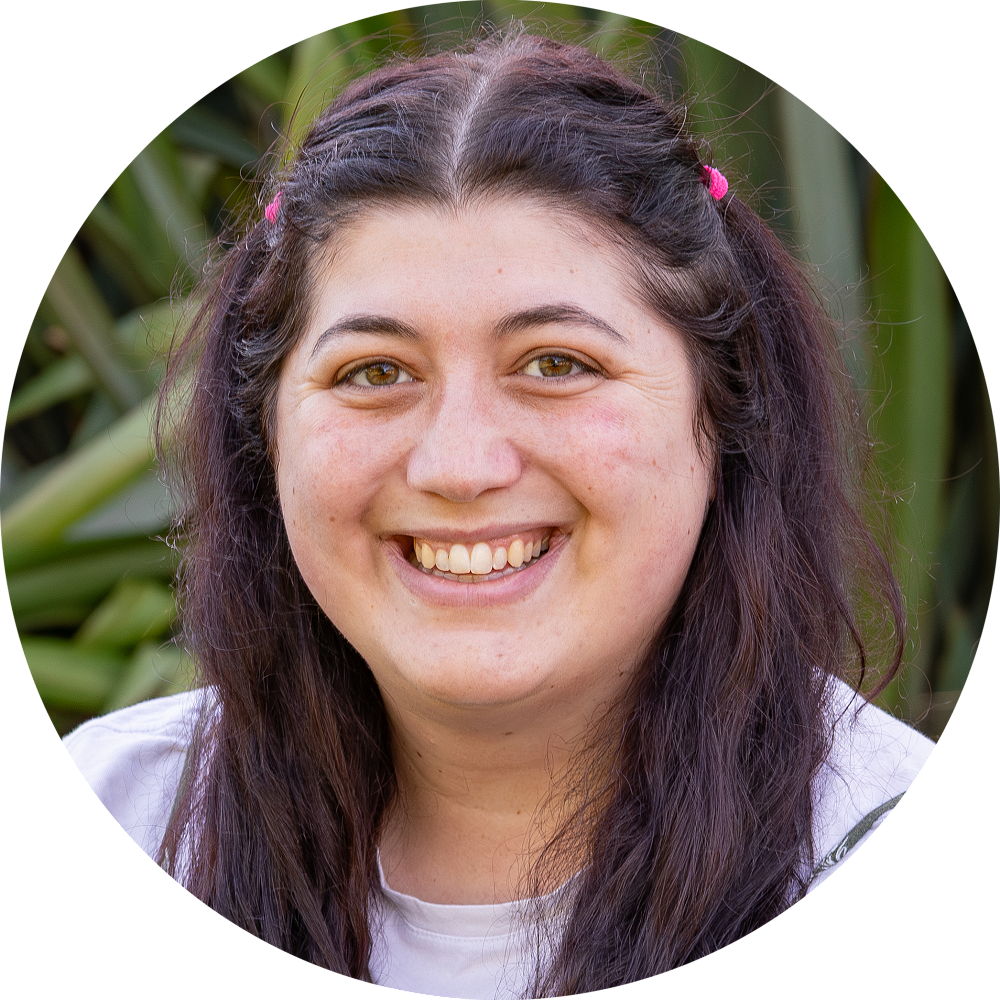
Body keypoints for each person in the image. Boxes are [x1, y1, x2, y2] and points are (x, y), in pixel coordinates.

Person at [63, 30, 935, 995]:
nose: (461, 465)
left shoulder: (861, 826)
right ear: (264, 434)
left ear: (724, 410)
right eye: (375, 372)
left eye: (557, 363)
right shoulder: (132, 810)